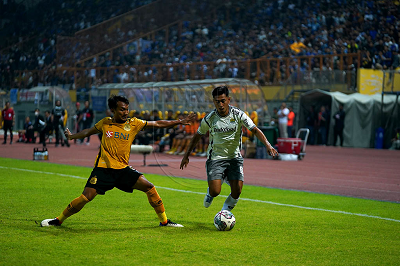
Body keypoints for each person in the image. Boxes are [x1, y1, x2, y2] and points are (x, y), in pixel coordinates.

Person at [40, 95, 196, 228]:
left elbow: (157, 124)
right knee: (86, 197)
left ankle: (164, 221)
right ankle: (58, 220)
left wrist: (179, 121)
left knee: (150, 187)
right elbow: (88, 131)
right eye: (122, 109)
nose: (125, 112)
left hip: (123, 170)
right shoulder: (105, 123)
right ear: (113, 110)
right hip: (103, 169)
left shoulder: (133, 123)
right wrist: (73, 137)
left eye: (127, 109)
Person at [179, 86, 278, 213]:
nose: (220, 104)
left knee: (237, 191)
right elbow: (197, 136)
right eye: (217, 101)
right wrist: (186, 155)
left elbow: (254, 129)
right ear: (213, 102)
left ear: (229, 100)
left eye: (223, 100)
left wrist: (268, 145)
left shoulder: (239, 114)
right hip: (216, 158)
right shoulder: (209, 118)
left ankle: (224, 213)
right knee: (216, 191)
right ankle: (211, 192)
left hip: (234, 158)